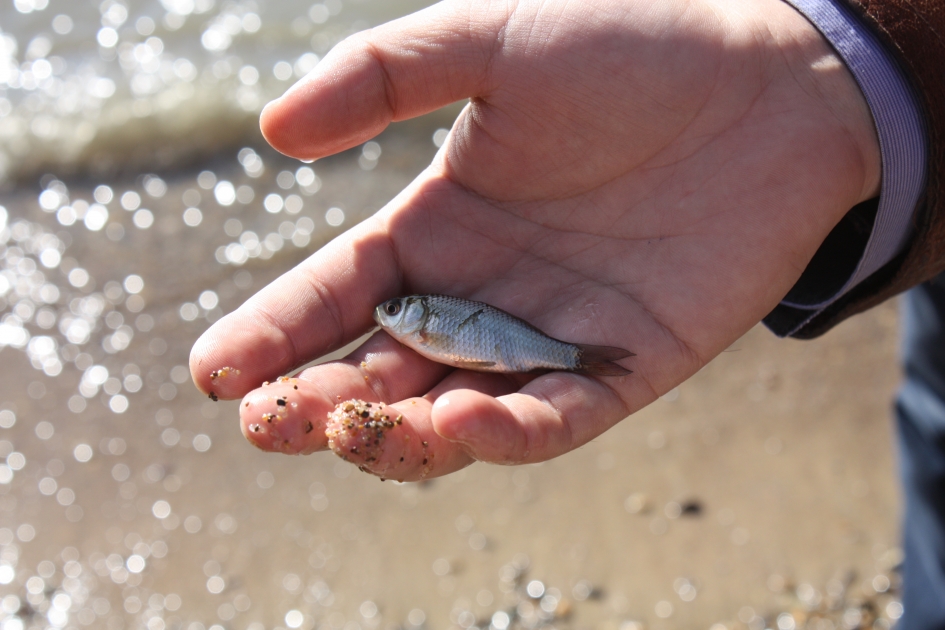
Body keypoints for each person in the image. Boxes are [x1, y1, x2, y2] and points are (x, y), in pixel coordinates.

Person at [188, 0, 945, 626]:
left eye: (397, 310)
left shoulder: (422, 317)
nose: (391, 317)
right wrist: (828, 69)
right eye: (395, 312)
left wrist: (824, 71)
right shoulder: (433, 319)